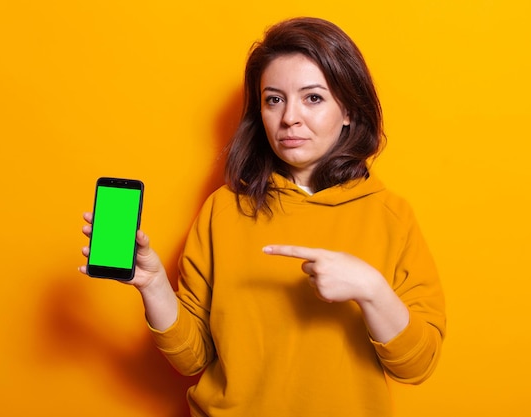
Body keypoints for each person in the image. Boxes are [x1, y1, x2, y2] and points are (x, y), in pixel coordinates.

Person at [81, 16, 445, 417]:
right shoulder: (223, 209)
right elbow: (193, 358)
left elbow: (416, 365)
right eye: (274, 99)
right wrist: (152, 286)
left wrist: (371, 289)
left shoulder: (390, 215)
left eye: (313, 98)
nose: (289, 118)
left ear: (348, 111)